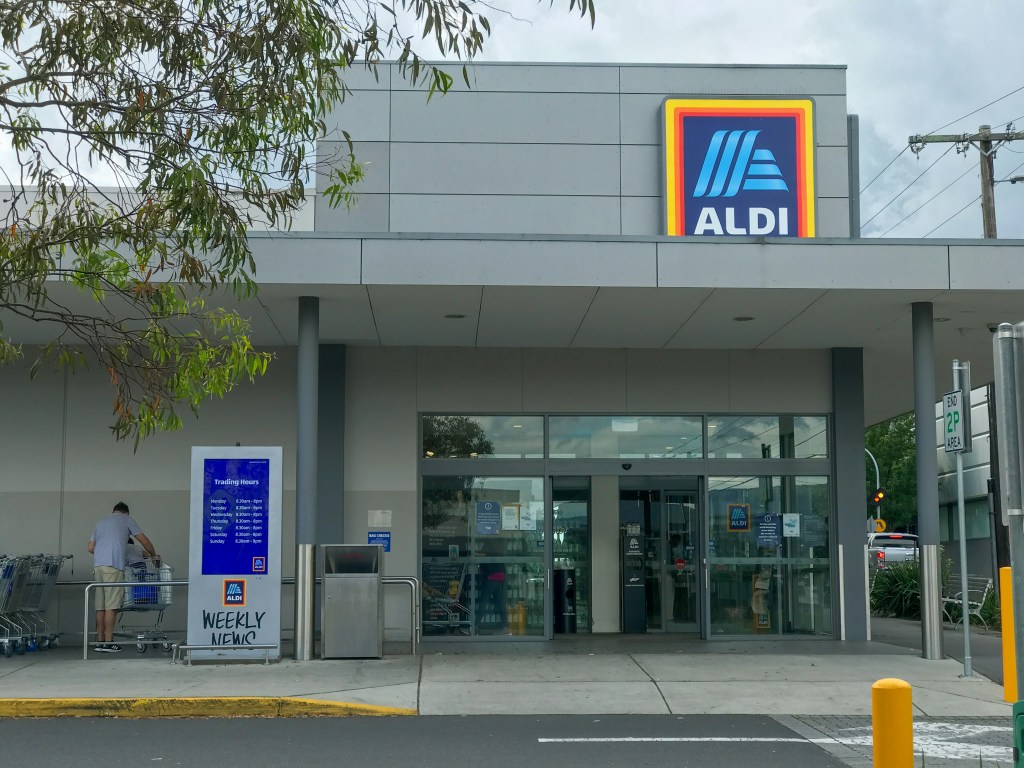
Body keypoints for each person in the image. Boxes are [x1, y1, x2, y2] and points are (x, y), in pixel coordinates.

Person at [88, 501, 157, 653]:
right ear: (126, 513)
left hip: (98, 567)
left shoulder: (100, 523)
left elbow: (90, 547)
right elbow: (144, 541)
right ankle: (108, 642)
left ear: (113, 511)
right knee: (111, 606)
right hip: (112, 566)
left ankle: (99, 641)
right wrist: (154, 556)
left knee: (100, 606)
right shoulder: (127, 520)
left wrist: (104, 551)